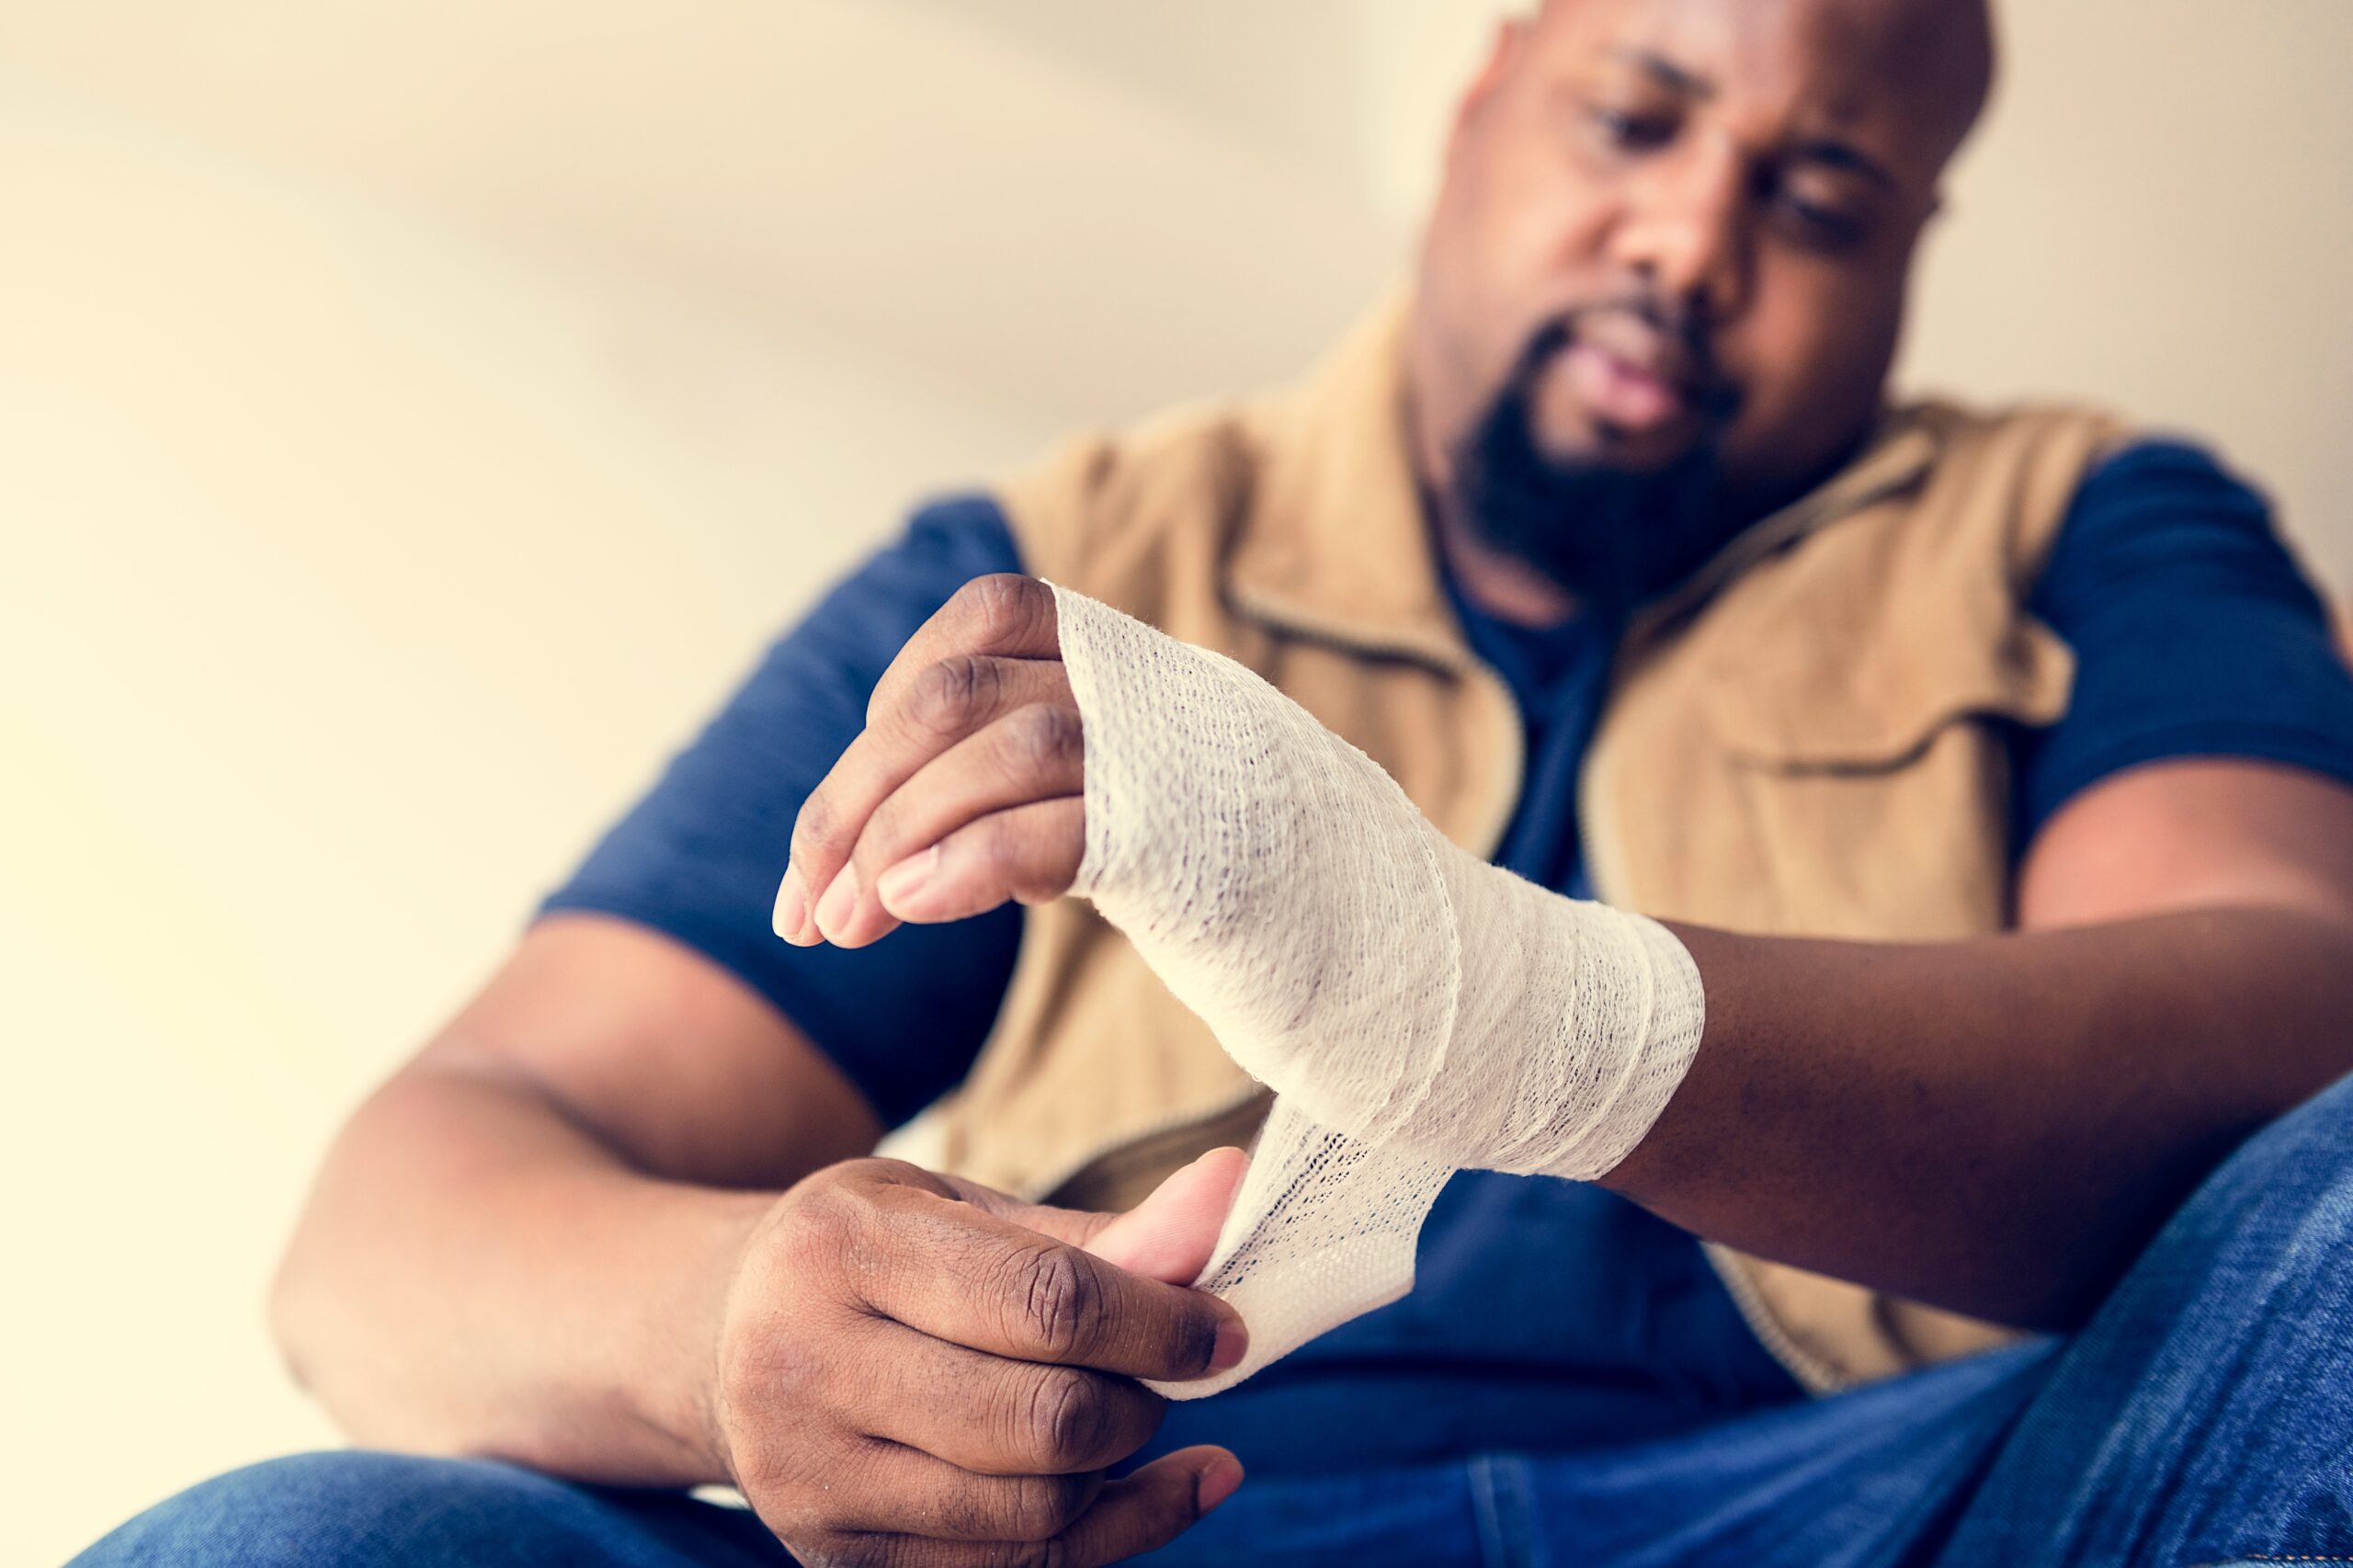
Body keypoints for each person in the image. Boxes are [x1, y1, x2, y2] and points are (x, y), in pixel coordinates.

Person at [73, 0, 2353, 1563]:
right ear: (1477, 111)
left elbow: (2283, 1031)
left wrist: (1506, 1004)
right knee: (309, 1540)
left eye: (1823, 195)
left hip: (1885, 1497)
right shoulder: (1048, 573)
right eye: (1635, 119)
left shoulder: (2090, 527)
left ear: (1911, 256)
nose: (1691, 239)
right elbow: (396, 1226)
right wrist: (727, 1340)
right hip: (1143, 1503)